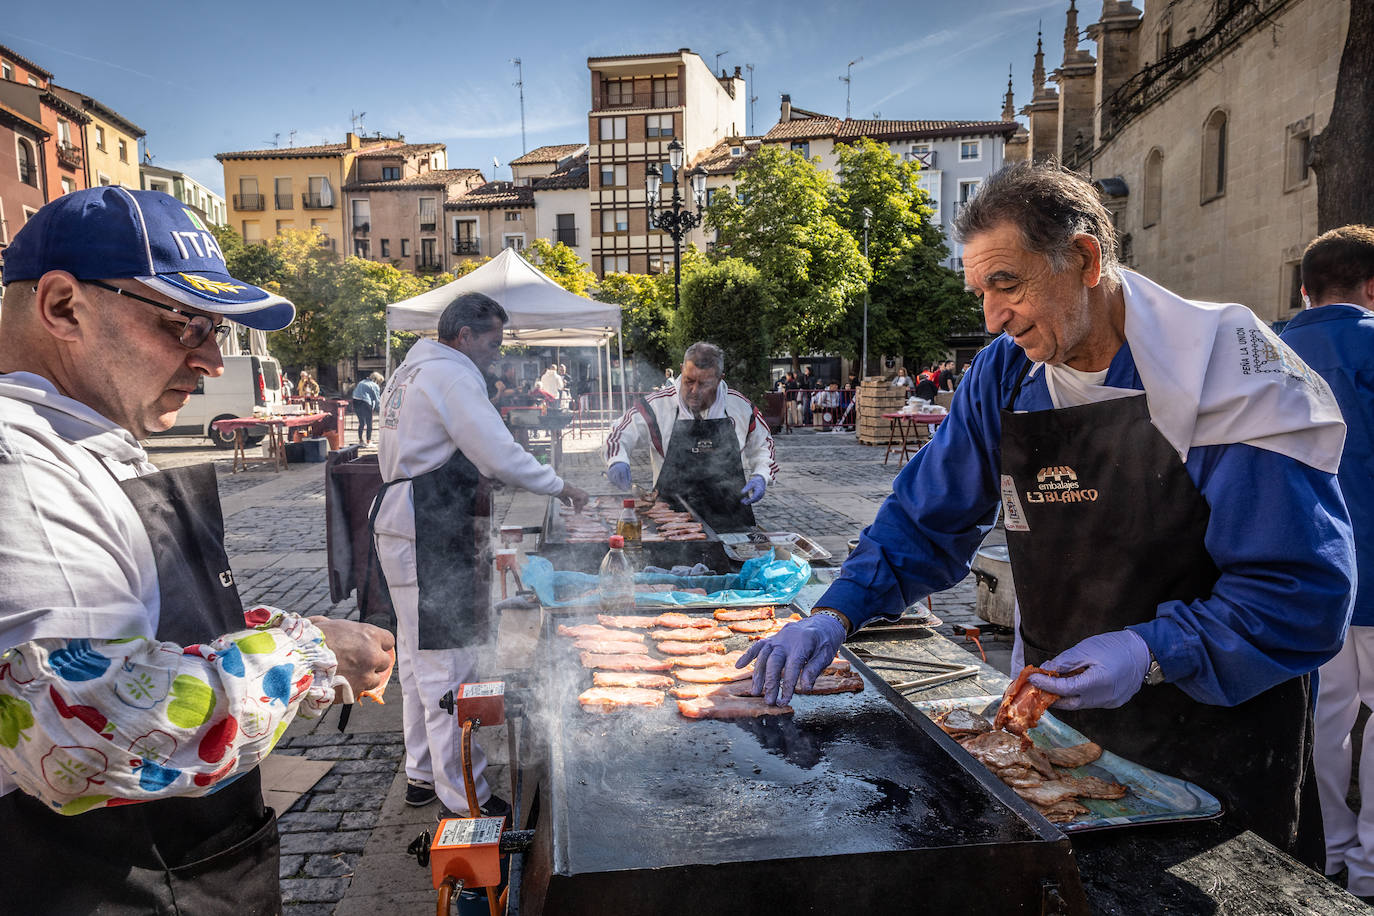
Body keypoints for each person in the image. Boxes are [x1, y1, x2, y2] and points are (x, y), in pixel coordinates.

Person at [740, 161, 1354, 866]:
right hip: (1059, 724)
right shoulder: (1004, 374)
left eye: (1007, 284)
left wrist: (1151, 649)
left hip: (1223, 739)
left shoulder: (1231, 376)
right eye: (979, 292)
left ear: (1085, 258)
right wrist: (835, 610)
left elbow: (1301, 594)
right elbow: (924, 519)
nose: (992, 318)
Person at [0, 187, 395, 915]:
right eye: (187, 326)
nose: (213, 359)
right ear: (62, 307)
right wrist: (308, 654)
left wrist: (269, 632)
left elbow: (137, 632)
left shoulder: (83, 441)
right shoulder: (18, 462)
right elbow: (85, 726)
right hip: (99, 886)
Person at [374, 292, 588, 820]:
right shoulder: (451, 374)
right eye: (492, 342)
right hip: (431, 523)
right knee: (447, 661)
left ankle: (422, 773)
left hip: (408, 517)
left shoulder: (411, 370)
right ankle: (465, 796)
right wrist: (561, 486)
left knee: (419, 653)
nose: (497, 353)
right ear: (464, 336)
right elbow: (496, 451)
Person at [1280, 225, 1374, 897]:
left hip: (1301, 576)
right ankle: (1369, 870)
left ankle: (1330, 850)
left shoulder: (1267, 352)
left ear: (1304, 288)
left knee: (1323, 722)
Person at [606, 341, 777, 531]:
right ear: (681, 369)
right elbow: (618, 434)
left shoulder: (740, 407)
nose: (694, 391)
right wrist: (617, 459)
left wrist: (761, 474)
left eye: (704, 384)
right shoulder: (656, 406)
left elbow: (764, 446)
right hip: (669, 518)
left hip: (731, 516)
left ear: (720, 379)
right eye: (689, 381)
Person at [352, 371, 384, 446]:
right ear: (377, 380)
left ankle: (360, 441)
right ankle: (368, 441)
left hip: (356, 401)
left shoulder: (361, 382)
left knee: (361, 422)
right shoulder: (375, 386)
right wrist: (380, 410)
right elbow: (377, 399)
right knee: (369, 423)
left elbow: (355, 392)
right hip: (365, 403)